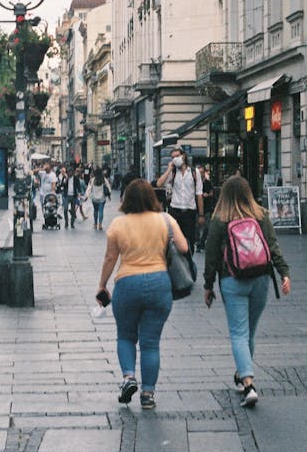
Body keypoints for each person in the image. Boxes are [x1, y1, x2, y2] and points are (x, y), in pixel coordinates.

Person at [97, 178, 188, 410]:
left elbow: (110, 258)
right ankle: (148, 394)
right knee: (150, 343)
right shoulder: (165, 220)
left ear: (126, 199)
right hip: (159, 283)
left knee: (126, 335)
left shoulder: (118, 224)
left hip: (127, 284)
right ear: (152, 198)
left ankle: (128, 378)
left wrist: (102, 285)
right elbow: (184, 247)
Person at [203, 176, 291, 408]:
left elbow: (211, 256)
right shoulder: (261, 215)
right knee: (249, 332)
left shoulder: (219, 219)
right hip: (261, 278)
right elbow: (273, 246)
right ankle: (242, 375)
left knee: (239, 333)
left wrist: (208, 285)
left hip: (232, 280)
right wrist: (284, 273)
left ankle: (248, 383)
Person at [156, 146, 204, 256]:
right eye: (172, 157)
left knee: (190, 242)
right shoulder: (173, 173)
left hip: (189, 212)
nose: (175, 159)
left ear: (184, 156)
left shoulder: (194, 172)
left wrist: (201, 215)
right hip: (175, 211)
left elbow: (199, 194)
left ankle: (188, 264)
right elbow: (159, 183)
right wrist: (169, 168)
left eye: (177, 156)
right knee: (174, 241)